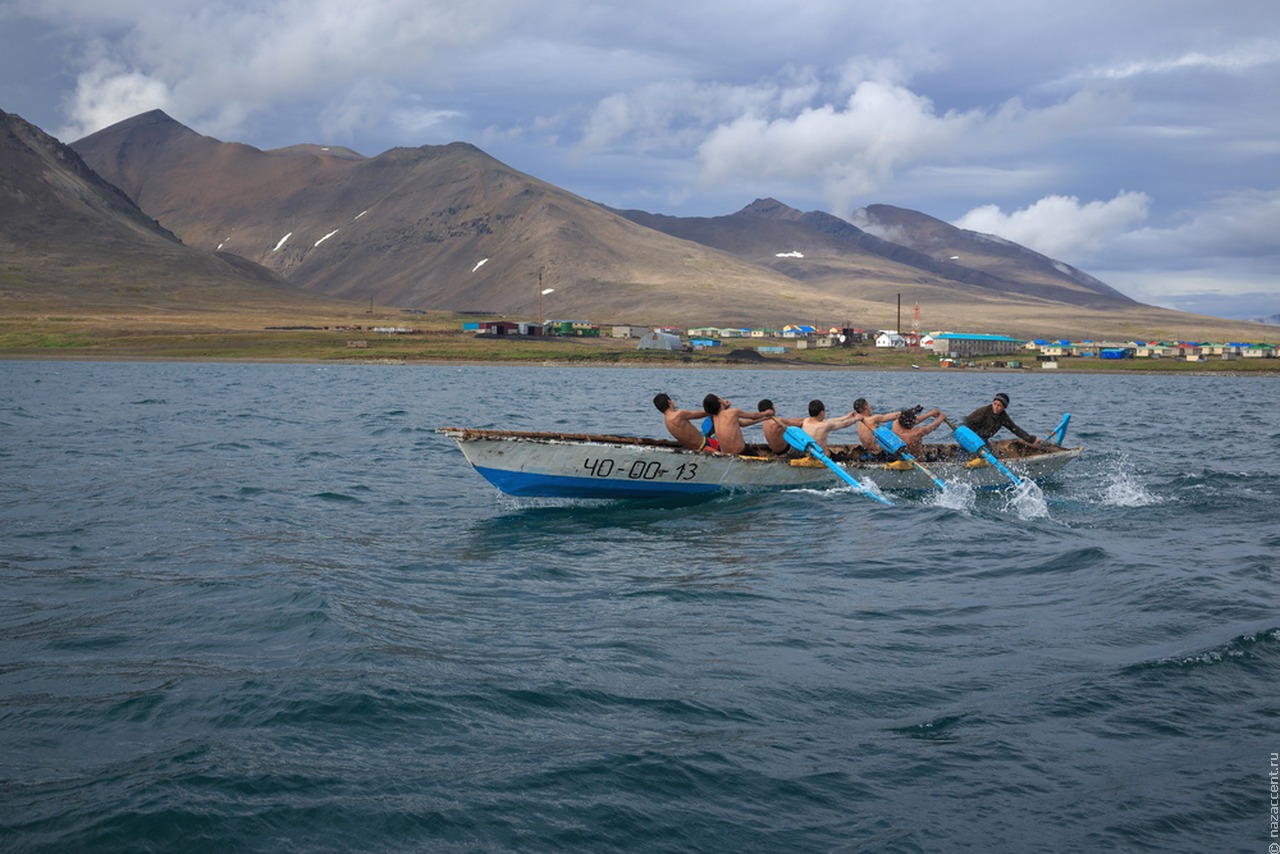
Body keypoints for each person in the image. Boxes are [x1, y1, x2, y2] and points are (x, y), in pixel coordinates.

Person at [702, 394, 773, 455]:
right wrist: (766, 413)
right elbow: (754, 416)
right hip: (741, 451)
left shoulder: (715, 418)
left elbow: (743, 424)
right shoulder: (733, 412)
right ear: (719, 401)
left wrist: (763, 418)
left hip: (727, 454)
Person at [961, 392, 1039, 445]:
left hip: (983, 440)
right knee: (964, 452)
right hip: (970, 437)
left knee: (992, 455)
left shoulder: (1003, 417)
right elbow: (966, 423)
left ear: (1003, 407)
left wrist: (1030, 439)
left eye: (999, 405)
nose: (996, 407)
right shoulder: (984, 411)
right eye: (995, 404)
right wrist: (970, 438)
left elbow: (1015, 429)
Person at [653, 392, 719, 452]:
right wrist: (715, 410)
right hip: (705, 444)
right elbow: (700, 414)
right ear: (670, 402)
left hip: (694, 448)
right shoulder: (679, 414)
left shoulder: (667, 422)